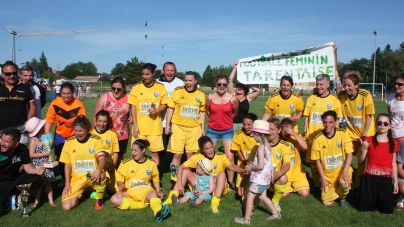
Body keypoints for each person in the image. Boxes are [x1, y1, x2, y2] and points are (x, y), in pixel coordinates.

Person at [165, 136, 245, 213]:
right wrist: (179, 182)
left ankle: (215, 201)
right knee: (185, 171)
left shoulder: (221, 156)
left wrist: (242, 170)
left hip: (215, 186)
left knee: (222, 175)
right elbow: (180, 167)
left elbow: (231, 166)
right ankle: (172, 196)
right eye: (207, 148)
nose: (210, 150)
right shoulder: (198, 157)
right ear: (202, 150)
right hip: (201, 185)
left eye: (211, 147)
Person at [110, 139, 170, 223]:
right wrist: (120, 184)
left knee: (154, 194)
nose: (133, 153)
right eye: (132, 150)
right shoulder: (125, 163)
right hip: (129, 193)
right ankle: (142, 204)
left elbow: (155, 179)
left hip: (145, 192)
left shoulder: (152, 163)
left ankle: (158, 213)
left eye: (135, 150)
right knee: (114, 199)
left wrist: (158, 190)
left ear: (143, 150)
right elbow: (119, 178)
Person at [235, 120, 280, 225]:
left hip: (259, 179)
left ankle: (246, 219)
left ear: (256, 134)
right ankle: (275, 213)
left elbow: (260, 166)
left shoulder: (260, 148)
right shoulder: (268, 145)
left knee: (250, 197)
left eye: (253, 133)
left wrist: (251, 166)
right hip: (265, 179)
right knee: (262, 196)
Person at [165, 71, 205, 188]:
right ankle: (174, 178)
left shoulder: (201, 94)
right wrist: (168, 125)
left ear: (195, 81)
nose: (188, 83)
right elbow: (170, 108)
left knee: (190, 155)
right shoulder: (178, 91)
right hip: (178, 127)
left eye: (190, 80)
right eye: (186, 80)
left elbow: (202, 112)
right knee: (177, 155)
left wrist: (202, 128)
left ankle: (189, 179)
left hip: (194, 129)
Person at [128, 63, 168, 181]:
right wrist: (135, 126)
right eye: (143, 74)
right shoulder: (136, 87)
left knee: (154, 154)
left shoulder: (160, 87)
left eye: (147, 74)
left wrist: (156, 110)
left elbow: (164, 104)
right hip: (140, 128)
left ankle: (155, 179)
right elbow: (133, 107)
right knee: (136, 154)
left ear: (153, 74)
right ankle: (137, 178)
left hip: (154, 128)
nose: (145, 76)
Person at [303, 74, 342, 192]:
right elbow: (307, 116)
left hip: (327, 137)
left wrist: (336, 135)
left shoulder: (334, 99)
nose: (319, 87)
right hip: (312, 136)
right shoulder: (311, 97)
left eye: (321, 84)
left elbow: (337, 120)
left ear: (328, 85)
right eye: (317, 84)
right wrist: (305, 131)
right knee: (314, 162)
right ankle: (316, 184)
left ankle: (329, 183)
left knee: (326, 161)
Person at [338, 72, 375, 196]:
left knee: (361, 161)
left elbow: (369, 117)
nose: (346, 88)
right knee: (345, 158)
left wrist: (363, 136)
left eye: (349, 85)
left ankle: (357, 187)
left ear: (356, 86)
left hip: (365, 134)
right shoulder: (341, 95)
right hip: (349, 134)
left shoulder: (365, 95)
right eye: (345, 85)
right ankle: (345, 181)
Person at [60, 115, 106, 211]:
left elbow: (102, 159)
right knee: (66, 207)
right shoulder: (69, 142)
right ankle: (81, 194)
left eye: (80, 131)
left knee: (101, 173)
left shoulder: (96, 140)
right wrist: (67, 184)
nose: (78, 133)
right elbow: (67, 164)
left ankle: (99, 199)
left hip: (93, 177)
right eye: (76, 131)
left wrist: (98, 169)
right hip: (77, 179)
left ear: (87, 129)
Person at [45, 82, 86, 187]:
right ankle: (64, 179)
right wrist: (47, 133)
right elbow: (49, 119)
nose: (66, 96)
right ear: (60, 93)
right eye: (64, 93)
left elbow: (82, 121)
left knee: (75, 158)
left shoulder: (78, 104)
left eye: (68, 93)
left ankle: (76, 179)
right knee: (61, 158)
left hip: (75, 136)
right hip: (60, 136)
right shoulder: (55, 103)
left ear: (73, 93)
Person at [311, 110, 353, 207]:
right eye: (325, 122)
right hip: (329, 175)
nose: (327, 125)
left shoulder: (343, 134)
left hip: (343, 170)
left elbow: (350, 154)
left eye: (330, 122)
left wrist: (345, 172)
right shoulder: (317, 138)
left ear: (335, 122)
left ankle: (342, 197)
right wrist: (323, 179)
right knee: (327, 203)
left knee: (345, 184)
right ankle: (336, 188)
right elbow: (317, 161)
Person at [357, 114, 398, 214]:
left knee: (387, 210)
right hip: (369, 178)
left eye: (385, 123)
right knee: (363, 208)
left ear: (390, 126)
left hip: (385, 179)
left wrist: (395, 181)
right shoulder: (369, 140)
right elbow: (360, 160)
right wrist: (362, 149)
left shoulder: (394, 143)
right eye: (379, 123)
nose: (382, 125)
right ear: (376, 125)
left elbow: (393, 163)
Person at [0, 127, 45, 216]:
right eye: (2, 140)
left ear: (16, 143)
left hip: (14, 181)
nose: (2, 144)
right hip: (1, 184)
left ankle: (18, 198)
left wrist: (36, 170)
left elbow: (28, 167)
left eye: (7, 142)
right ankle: (10, 200)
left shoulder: (22, 149)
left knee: (37, 179)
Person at [206, 74, 239, 188]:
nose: (222, 86)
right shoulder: (209, 97)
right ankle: (207, 180)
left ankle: (229, 183)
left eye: (224, 84)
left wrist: (226, 120)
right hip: (212, 130)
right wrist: (216, 120)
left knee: (230, 158)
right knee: (208, 155)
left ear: (227, 85)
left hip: (227, 130)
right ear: (216, 84)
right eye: (219, 84)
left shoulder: (232, 98)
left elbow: (234, 113)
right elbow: (208, 112)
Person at [94, 77, 131, 168]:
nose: (116, 91)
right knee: (103, 156)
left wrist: (133, 118)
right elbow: (96, 116)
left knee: (119, 157)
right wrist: (96, 133)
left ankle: (118, 177)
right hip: (106, 133)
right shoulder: (104, 97)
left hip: (122, 134)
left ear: (123, 89)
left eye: (119, 89)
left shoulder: (129, 97)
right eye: (113, 88)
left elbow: (135, 112)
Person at [25, 117, 56, 207]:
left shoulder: (44, 138)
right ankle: (36, 202)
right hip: (38, 166)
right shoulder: (34, 141)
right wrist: (46, 153)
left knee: (48, 183)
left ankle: (51, 201)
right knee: (39, 185)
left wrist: (50, 156)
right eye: (42, 126)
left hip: (47, 164)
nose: (44, 126)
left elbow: (49, 148)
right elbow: (31, 154)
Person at [0, 61, 36, 131]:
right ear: (2, 75)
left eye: (14, 73)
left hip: (20, 128)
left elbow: (32, 106)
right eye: (8, 74)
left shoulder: (25, 88)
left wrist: (28, 121)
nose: (12, 76)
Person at [157, 62, 184, 156]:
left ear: (175, 71)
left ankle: (177, 166)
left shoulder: (180, 84)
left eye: (172, 70)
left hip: (176, 122)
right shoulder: (157, 83)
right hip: (159, 122)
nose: (169, 72)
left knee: (176, 149)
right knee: (159, 150)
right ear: (163, 71)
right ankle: (159, 168)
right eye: (167, 70)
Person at [91, 110, 119, 195]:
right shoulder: (90, 134)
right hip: (96, 167)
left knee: (115, 189)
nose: (102, 124)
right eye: (100, 121)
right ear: (96, 121)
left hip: (108, 166)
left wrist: (113, 165)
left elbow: (115, 152)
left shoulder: (112, 134)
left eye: (104, 121)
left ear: (107, 122)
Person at [280, 118, 310, 197]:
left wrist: (294, 134)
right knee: (283, 194)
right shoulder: (277, 140)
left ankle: (293, 186)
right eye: (284, 130)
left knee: (305, 193)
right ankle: (288, 187)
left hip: (298, 174)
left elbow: (305, 147)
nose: (286, 133)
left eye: (288, 130)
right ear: (280, 129)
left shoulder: (295, 138)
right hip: (284, 175)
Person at [228, 61, 261, 130]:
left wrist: (247, 83)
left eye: (241, 86)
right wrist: (234, 68)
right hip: (231, 124)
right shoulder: (232, 95)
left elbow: (258, 90)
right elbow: (230, 81)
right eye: (238, 86)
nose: (239, 87)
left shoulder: (248, 98)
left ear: (245, 89)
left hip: (244, 125)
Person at [267, 118, 291, 212]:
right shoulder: (262, 143)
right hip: (261, 176)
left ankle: (275, 201)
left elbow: (287, 164)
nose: (269, 132)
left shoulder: (284, 146)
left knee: (283, 177)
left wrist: (277, 174)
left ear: (279, 130)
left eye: (272, 129)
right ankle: (258, 197)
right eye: (268, 129)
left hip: (273, 177)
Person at [230, 113, 259, 189]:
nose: (246, 127)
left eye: (249, 125)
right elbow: (237, 149)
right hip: (243, 164)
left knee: (254, 188)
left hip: (257, 164)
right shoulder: (239, 132)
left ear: (255, 124)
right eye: (244, 124)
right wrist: (244, 161)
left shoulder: (260, 134)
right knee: (239, 188)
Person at [387, 72, 404, 145]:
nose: (396, 86)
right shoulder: (390, 98)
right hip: (392, 135)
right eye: (395, 84)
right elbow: (390, 116)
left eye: (400, 84)